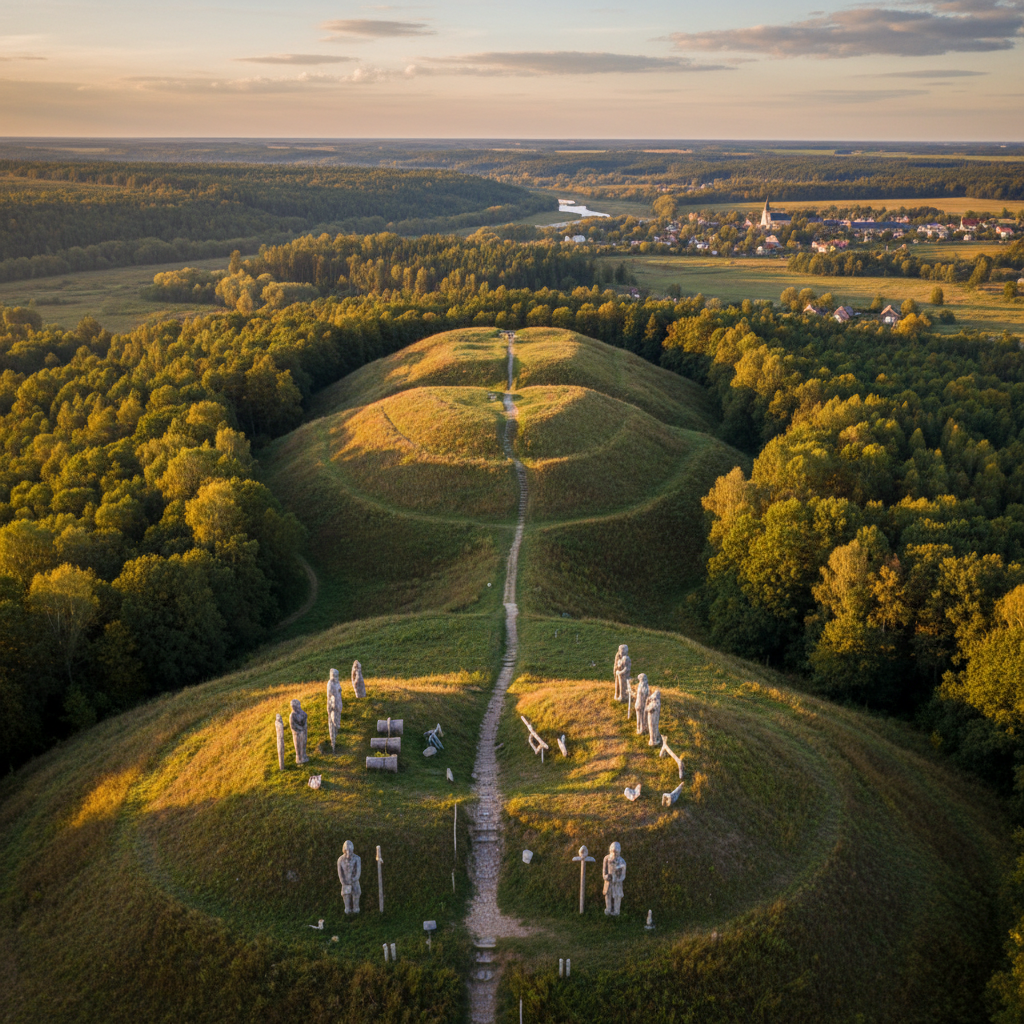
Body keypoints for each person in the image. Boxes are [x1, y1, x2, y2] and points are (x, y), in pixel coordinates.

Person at [337, 840, 362, 914]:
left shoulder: (357, 858)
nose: (348, 852)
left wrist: (354, 879)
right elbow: (340, 873)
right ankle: (347, 910)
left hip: (354, 881)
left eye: (350, 850)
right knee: (346, 895)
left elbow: (358, 871)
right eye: (346, 850)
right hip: (345, 882)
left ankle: (356, 909)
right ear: (344, 850)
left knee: (356, 894)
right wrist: (343, 881)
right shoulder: (340, 860)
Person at [602, 842, 626, 916]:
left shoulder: (622, 861)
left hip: (617, 883)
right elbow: (604, 871)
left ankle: (616, 911)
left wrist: (617, 879)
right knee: (608, 895)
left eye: (616, 851)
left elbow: (623, 875)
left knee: (617, 896)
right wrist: (606, 877)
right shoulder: (606, 858)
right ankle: (608, 909)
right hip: (608, 882)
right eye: (613, 851)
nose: (614, 853)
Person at [327, 669, 343, 753]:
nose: (336, 677)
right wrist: (331, 706)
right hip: (333, 706)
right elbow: (330, 696)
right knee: (333, 723)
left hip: (338, 704)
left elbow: (339, 692)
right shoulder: (330, 683)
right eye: (334, 675)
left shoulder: (337, 682)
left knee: (337, 723)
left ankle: (335, 738)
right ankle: (333, 742)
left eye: (337, 675)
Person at [289, 699, 308, 765]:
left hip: (303, 732)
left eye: (295, 706)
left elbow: (305, 718)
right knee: (298, 745)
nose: (294, 708)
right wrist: (300, 729)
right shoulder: (292, 715)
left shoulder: (302, 713)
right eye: (293, 707)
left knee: (303, 743)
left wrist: (304, 727)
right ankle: (299, 758)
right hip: (297, 733)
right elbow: (292, 725)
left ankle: (303, 755)